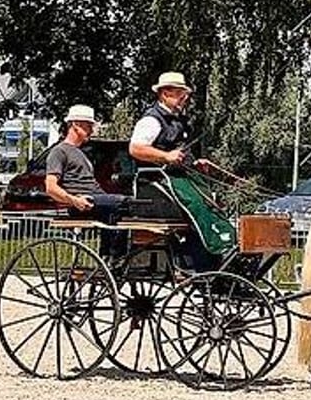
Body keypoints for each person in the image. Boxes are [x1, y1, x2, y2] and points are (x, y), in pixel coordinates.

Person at [129, 71, 236, 262]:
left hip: (181, 177)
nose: (184, 98)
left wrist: (195, 163)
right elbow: (136, 149)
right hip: (157, 179)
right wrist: (166, 156)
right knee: (196, 205)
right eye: (180, 93)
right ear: (164, 94)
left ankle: (224, 249)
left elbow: (179, 153)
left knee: (212, 203)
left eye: (184, 94)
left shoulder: (180, 121)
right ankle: (212, 255)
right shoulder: (151, 120)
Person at [45, 104, 128, 261]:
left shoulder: (81, 153)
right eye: (88, 125)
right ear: (75, 125)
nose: (91, 130)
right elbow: (50, 187)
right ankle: (110, 256)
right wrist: (74, 200)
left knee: (135, 205)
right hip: (81, 201)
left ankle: (118, 256)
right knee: (123, 203)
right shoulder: (59, 151)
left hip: (95, 197)